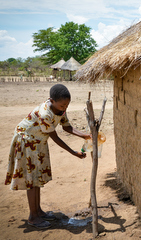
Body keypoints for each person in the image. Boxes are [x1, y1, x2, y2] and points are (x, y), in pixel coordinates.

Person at [4, 84, 91, 229]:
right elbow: (55, 137)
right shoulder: (45, 114)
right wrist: (73, 152)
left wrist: (85, 136)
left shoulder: (60, 109)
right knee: (31, 180)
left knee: (37, 177)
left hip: (38, 142)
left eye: (67, 104)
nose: (65, 107)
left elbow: (66, 127)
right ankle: (33, 216)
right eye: (63, 104)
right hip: (26, 142)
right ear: (52, 100)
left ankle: (38, 211)